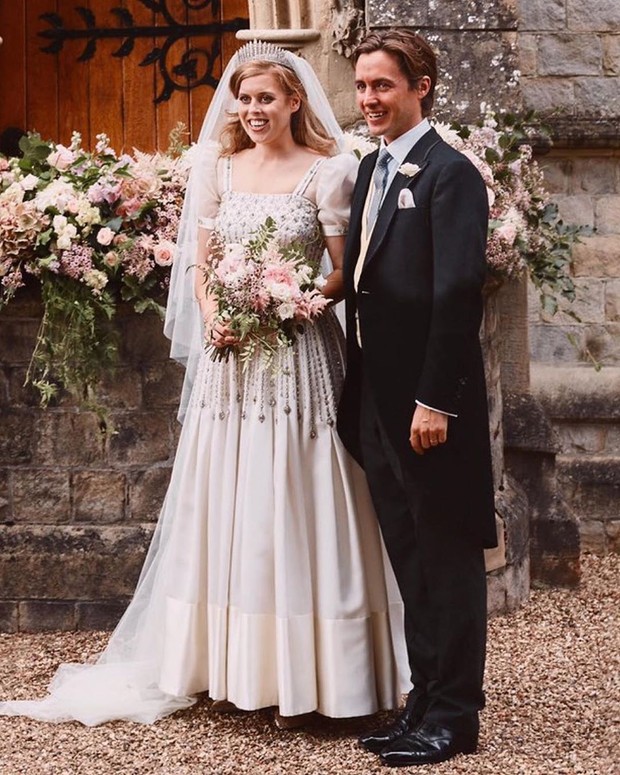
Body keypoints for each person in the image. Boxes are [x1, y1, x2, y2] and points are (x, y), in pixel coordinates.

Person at [0, 41, 408, 727]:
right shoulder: (218, 167)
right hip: (231, 363)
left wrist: (293, 301)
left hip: (298, 356)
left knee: (299, 494)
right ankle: (229, 666)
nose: (253, 110)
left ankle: (316, 676)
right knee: (232, 496)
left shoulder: (330, 172)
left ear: (294, 101)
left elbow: (344, 272)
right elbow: (201, 264)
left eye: (266, 98)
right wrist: (218, 312)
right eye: (244, 99)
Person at [337, 29, 497, 766]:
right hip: (377, 398)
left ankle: (455, 717)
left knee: (447, 559)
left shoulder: (450, 174)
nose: (369, 98)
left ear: (420, 86)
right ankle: (423, 702)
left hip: (430, 409)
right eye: (362, 85)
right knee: (410, 558)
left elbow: (458, 292)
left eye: (383, 85)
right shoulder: (372, 167)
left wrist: (435, 400)